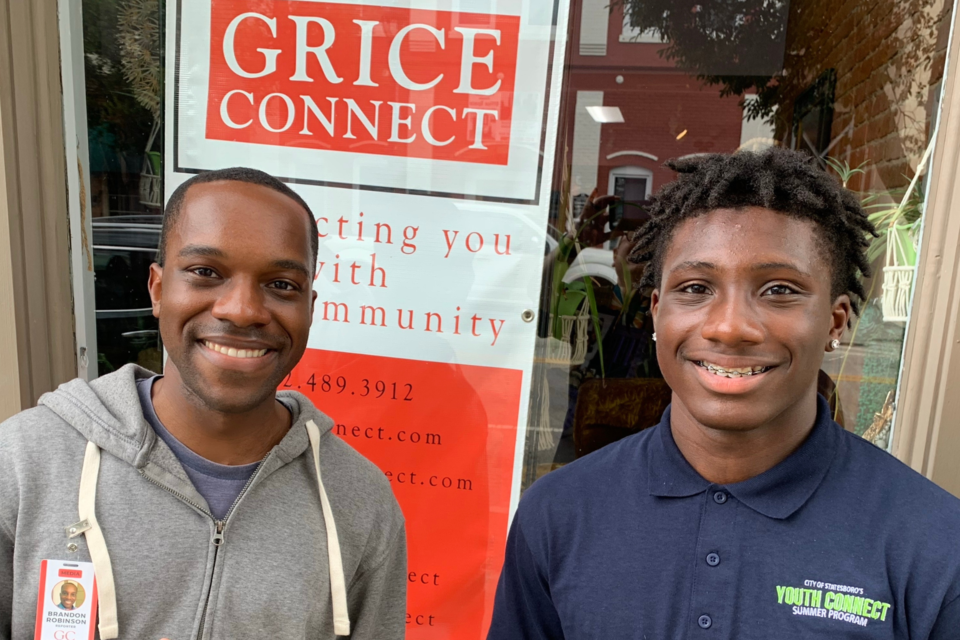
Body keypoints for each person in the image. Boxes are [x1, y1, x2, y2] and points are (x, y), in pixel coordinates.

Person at [488, 148, 960, 639]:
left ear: (835, 322)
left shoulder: (933, 542)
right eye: (695, 288)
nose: (731, 327)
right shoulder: (559, 514)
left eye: (779, 289)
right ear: (656, 312)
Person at [0, 168, 406, 639]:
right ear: (157, 289)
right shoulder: (25, 463)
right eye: (205, 273)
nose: (242, 309)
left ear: (310, 308)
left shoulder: (359, 501)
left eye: (281, 285)